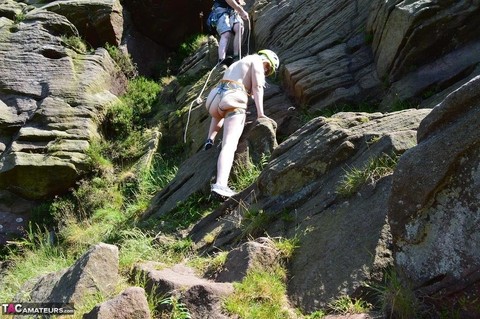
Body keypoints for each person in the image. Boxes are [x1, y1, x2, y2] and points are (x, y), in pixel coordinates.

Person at [204, 49, 280, 197]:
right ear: (267, 62)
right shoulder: (257, 62)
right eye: (268, 69)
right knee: (229, 144)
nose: (265, 72)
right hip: (233, 98)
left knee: (220, 114)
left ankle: (210, 139)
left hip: (214, 99)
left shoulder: (238, 63)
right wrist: (261, 114)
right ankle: (220, 184)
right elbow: (258, 87)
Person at [212, 0, 249, 65]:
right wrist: (241, 11)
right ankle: (221, 60)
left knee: (239, 27)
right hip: (220, 9)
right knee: (226, 33)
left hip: (233, 10)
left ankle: (236, 56)